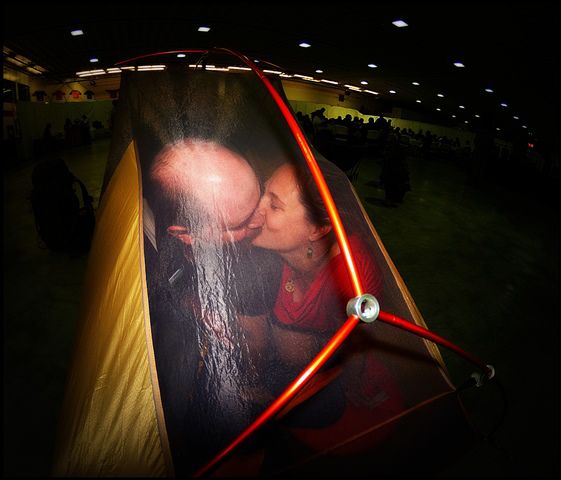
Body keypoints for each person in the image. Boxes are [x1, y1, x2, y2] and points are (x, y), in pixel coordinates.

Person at [144, 138, 282, 475]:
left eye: (260, 194)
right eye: (238, 223)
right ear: (185, 234)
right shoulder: (144, 257)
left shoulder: (257, 266)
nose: (259, 219)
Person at [247, 161, 404, 453]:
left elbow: (354, 347)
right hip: (280, 365)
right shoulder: (264, 255)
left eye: (275, 205)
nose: (255, 209)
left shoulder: (350, 278)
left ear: (319, 228)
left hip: (328, 373)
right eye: (263, 192)